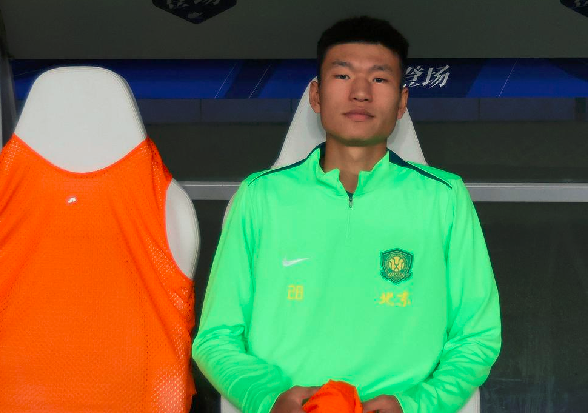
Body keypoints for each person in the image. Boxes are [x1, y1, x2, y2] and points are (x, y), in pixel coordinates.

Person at [193, 16, 501, 413]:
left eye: (379, 78)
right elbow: (216, 338)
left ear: (402, 102)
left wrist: (415, 405)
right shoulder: (260, 197)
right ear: (316, 96)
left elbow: (477, 337)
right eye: (342, 76)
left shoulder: (444, 198)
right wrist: (270, 399)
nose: (360, 93)